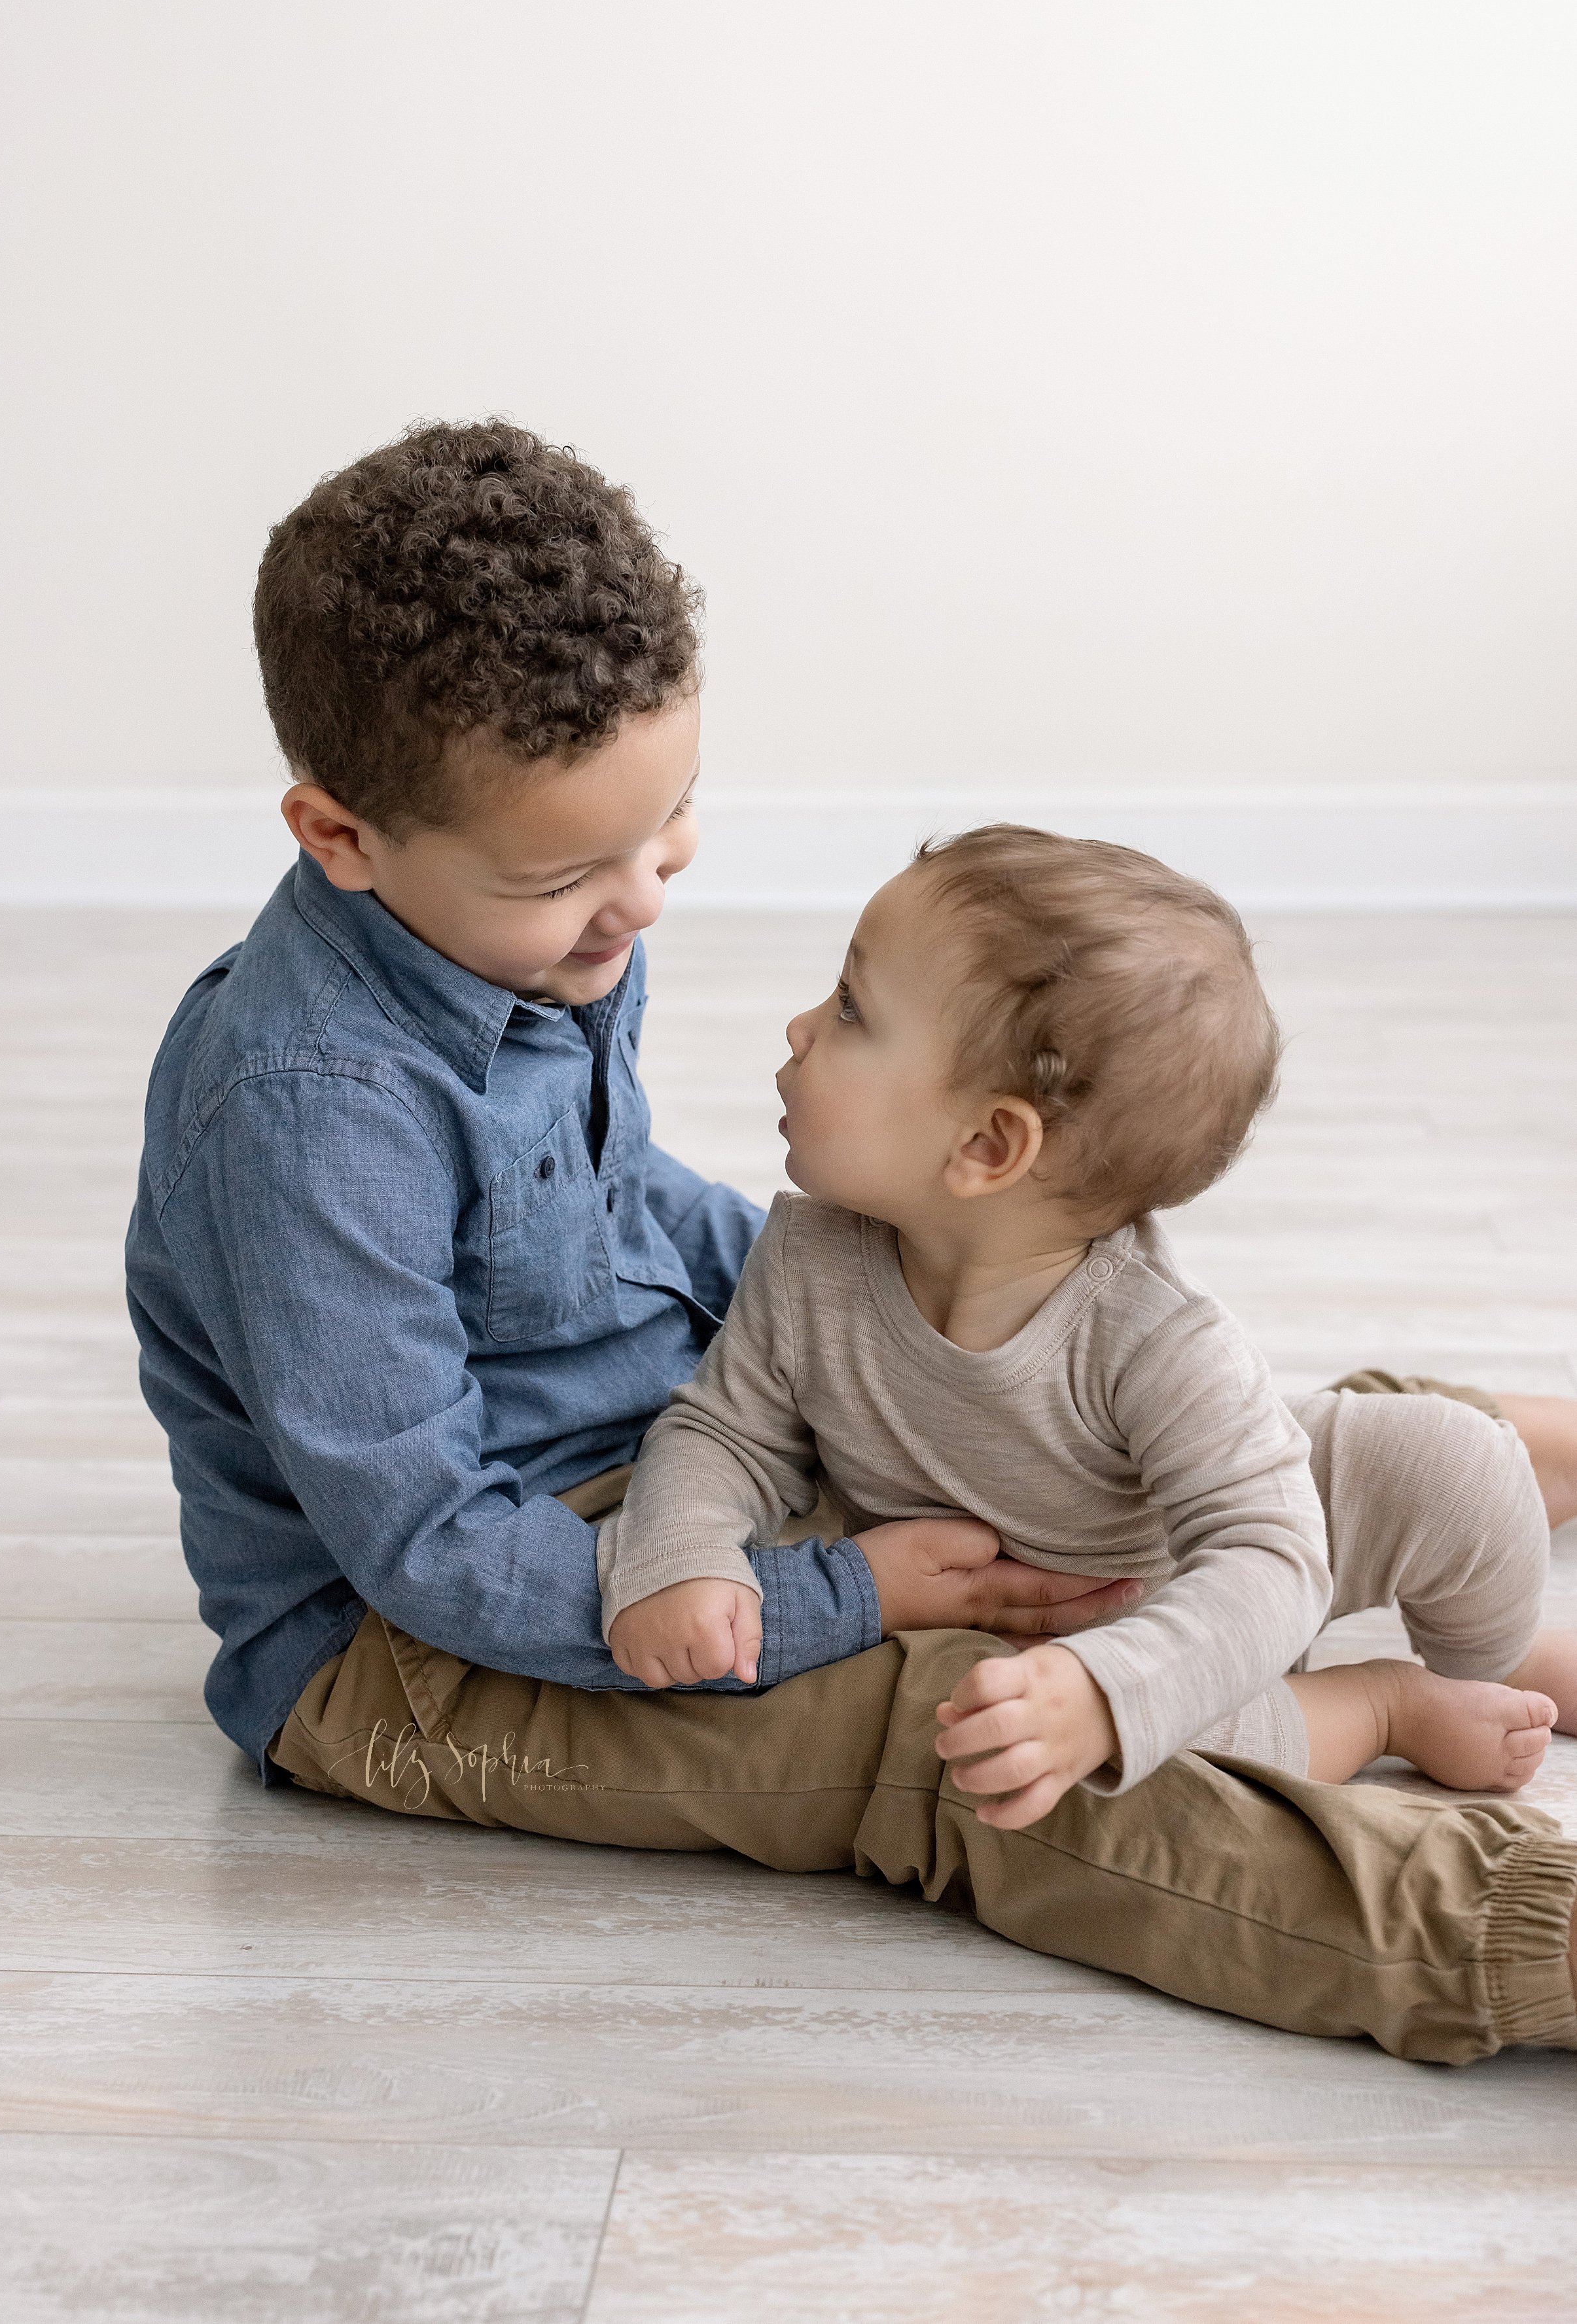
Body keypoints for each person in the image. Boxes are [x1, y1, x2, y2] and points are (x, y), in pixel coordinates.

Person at [126, 419, 1577, 2068]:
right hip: (421, 1648)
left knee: (1056, 1388)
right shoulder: (305, 1111)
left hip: (688, 1450)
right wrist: (843, 1595)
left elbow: (607, 1202)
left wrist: (887, 1291)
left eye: (667, 830)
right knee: (960, 1744)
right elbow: (431, 1542)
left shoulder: (541, 939)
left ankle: (1450, 1458)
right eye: (569, 875)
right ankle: (1506, 1935)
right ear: (341, 838)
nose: (641, 905)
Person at [599, 826, 1576, 1824]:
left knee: (1457, 1470)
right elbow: (726, 1431)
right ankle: (1378, 1707)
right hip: (1050, 1629)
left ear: (986, 1144)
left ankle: (1488, 1657)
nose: (802, 1028)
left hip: (1207, 1586)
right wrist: (680, 1553)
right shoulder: (810, 1259)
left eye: (851, 1009)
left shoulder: (1158, 1339)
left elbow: (1270, 1561)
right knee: (1053, 1761)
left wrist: (1113, 1692)